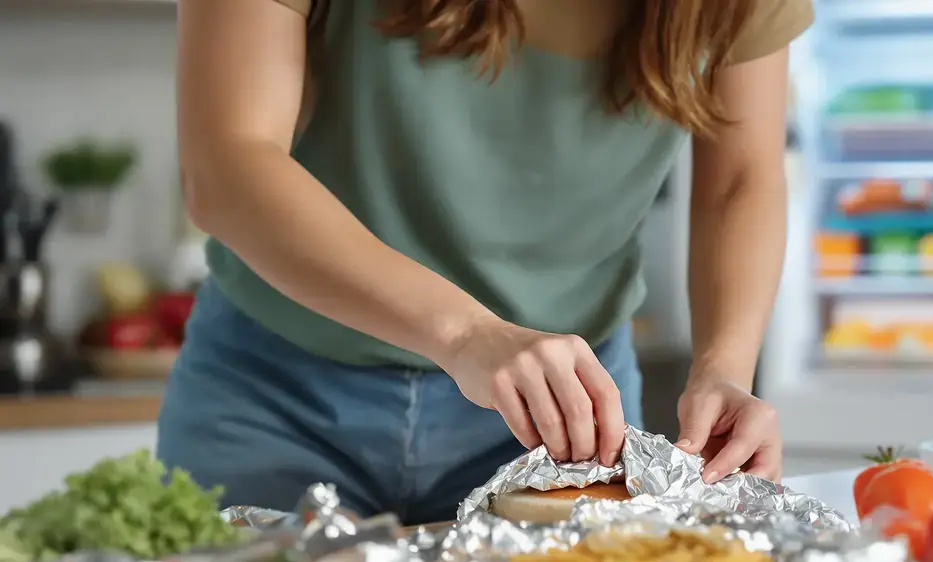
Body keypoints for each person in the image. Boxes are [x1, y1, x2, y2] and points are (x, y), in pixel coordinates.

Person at [160, 0, 813, 524]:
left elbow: (742, 180)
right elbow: (228, 162)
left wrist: (725, 366)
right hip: (277, 397)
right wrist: (466, 333)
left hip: (565, 419)